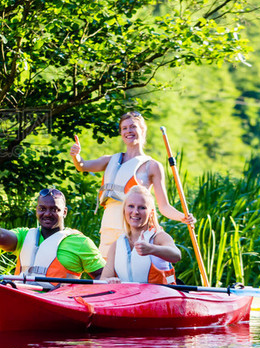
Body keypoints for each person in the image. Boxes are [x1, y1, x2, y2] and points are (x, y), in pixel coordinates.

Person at [69, 110, 195, 256]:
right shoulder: (110, 160)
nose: (128, 131)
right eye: (124, 128)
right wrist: (76, 156)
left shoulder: (152, 166)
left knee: (128, 272)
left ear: (142, 130)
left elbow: (164, 206)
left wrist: (183, 217)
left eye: (133, 127)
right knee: (106, 273)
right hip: (109, 225)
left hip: (132, 227)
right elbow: (82, 166)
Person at [0, 188, 104, 280]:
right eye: (42, 209)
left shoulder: (80, 242)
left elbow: (102, 275)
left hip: (57, 304)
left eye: (54, 209)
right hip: (20, 296)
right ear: (36, 210)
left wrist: (78, 294)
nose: (47, 214)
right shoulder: (24, 235)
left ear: (64, 212)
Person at [101, 185, 181, 284]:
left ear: (151, 213)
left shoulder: (158, 237)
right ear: (124, 210)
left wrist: (151, 249)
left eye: (142, 207)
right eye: (131, 206)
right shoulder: (116, 245)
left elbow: (177, 255)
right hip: (128, 297)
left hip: (159, 297)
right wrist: (109, 281)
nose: (135, 212)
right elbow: (103, 279)